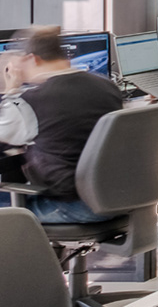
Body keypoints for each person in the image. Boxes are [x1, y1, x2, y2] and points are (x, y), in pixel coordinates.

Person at [0, 25, 126, 224]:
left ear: (33, 58)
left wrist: (11, 89)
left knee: (6, 205)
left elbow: (4, 133)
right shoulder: (106, 86)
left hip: (74, 205)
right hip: (121, 198)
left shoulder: (32, 101)